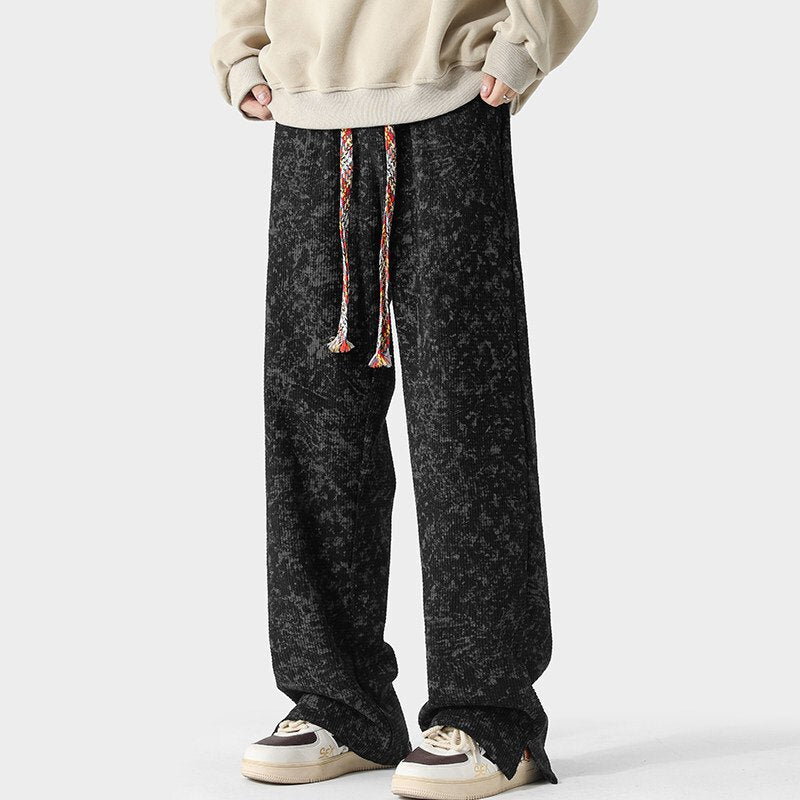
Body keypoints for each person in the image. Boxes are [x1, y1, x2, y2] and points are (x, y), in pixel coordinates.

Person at [211, 2, 596, 798]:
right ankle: (340, 706)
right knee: (313, 424)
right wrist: (241, 47)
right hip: (307, 107)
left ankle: (492, 717)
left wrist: (528, 37)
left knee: (466, 420)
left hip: (449, 91)